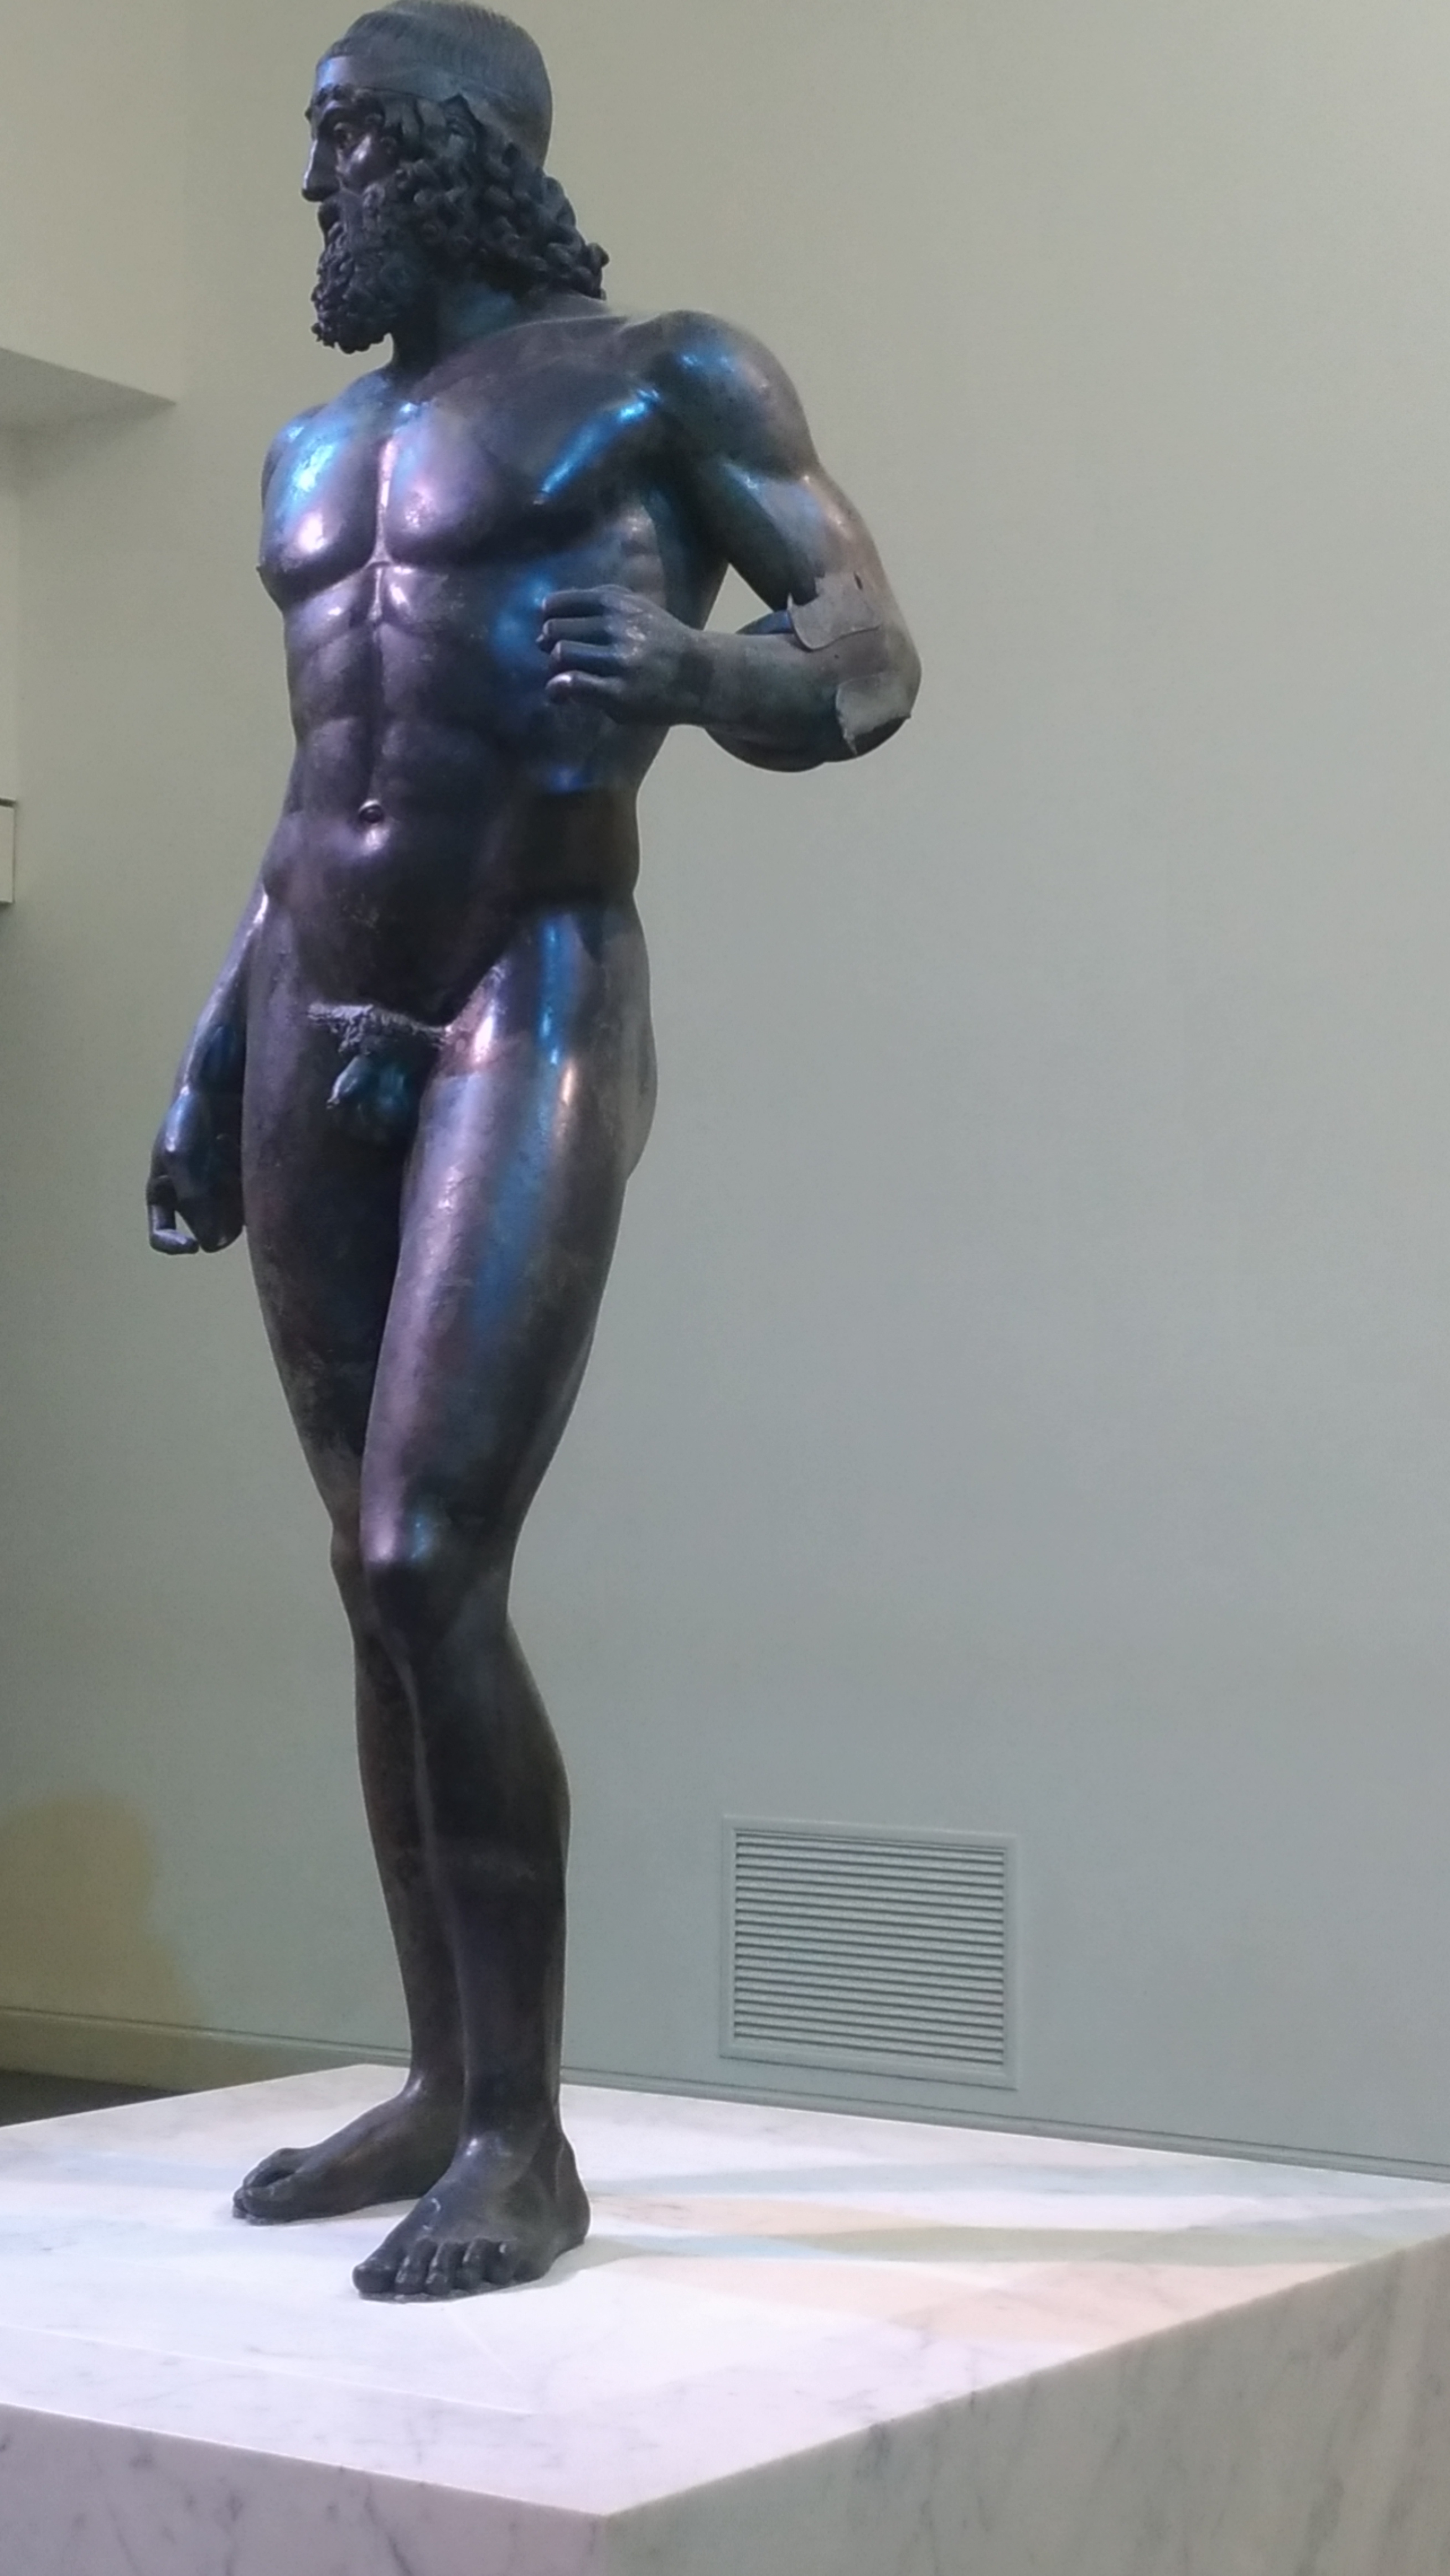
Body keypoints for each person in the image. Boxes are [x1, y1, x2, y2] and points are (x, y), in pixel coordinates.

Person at [147, 0, 919, 2302]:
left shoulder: (667, 377)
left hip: (531, 983)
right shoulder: (309, 452)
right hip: (312, 999)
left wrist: (700, 675)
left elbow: (865, 656)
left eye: (350, 138)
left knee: (422, 1556)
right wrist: (214, 1051)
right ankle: (431, 2079)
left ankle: (522, 2135)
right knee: (366, 1578)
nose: (319, 182)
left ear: (470, 149)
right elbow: (321, 791)